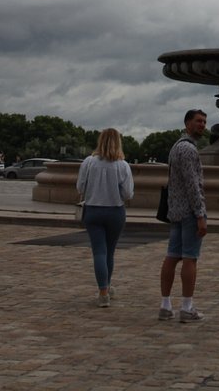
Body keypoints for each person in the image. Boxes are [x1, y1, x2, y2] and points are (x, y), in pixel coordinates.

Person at [159, 109, 208, 323]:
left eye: (204, 122)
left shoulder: (176, 146)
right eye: (198, 121)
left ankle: (165, 304)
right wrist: (200, 214)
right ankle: (187, 307)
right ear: (187, 123)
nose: (202, 125)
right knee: (190, 257)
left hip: (175, 210)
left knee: (172, 256)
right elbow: (192, 185)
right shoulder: (188, 150)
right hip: (188, 211)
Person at [75, 128, 134, 307]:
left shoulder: (89, 162)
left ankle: (103, 292)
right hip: (115, 211)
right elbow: (128, 193)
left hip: (93, 210)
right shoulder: (122, 165)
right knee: (110, 251)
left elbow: (80, 187)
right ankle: (106, 286)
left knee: (99, 251)